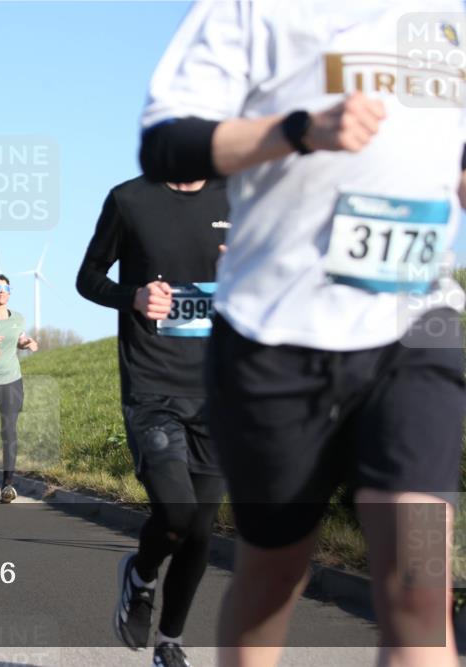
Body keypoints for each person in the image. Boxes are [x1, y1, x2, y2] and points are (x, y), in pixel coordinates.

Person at [140, 3, 466, 665]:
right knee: (274, 573)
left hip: (418, 325)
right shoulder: (250, 8)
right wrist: (299, 129)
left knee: (421, 583)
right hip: (275, 334)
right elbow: (167, 142)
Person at [77, 175, 229, 666]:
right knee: (177, 513)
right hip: (152, 387)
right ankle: (140, 575)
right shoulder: (129, 199)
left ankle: (170, 641)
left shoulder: (238, 195)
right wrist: (134, 297)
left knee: (202, 530)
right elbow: (89, 277)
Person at [0, 274, 38, 503]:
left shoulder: (18, 318)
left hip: (12, 379)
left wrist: (27, 342)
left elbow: (18, 338)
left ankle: (8, 485)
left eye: (5, 288)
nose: (1, 291)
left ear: (10, 292)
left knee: (10, 431)